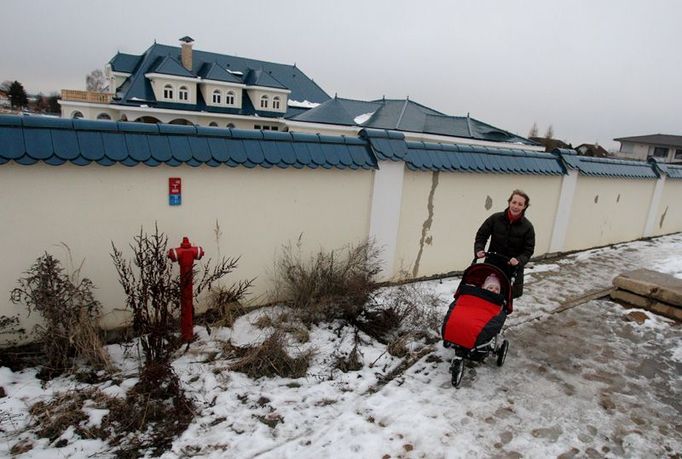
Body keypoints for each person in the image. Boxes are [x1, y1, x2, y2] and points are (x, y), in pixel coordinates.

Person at [474, 189, 535, 298]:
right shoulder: (495, 218)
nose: (516, 206)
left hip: (511, 269)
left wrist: (519, 260)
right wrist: (479, 249)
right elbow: (481, 235)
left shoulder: (528, 227)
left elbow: (528, 250)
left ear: (524, 207)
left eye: (520, 204)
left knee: (504, 299)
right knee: (485, 294)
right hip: (492, 264)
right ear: (509, 202)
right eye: (514, 202)